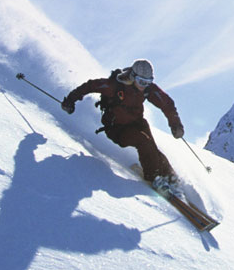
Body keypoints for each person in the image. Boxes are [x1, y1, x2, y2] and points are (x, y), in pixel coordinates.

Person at [61, 59, 185, 192]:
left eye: (148, 82)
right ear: (133, 77)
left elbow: (166, 103)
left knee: (152, 148)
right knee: (144, 142)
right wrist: (70, 100)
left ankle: (171, 178)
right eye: (141, 82)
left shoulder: (147, 89)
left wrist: (175, 124)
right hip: (117, 129)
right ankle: (154, 178)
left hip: (137, 123)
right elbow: (90, 86)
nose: (144, 86)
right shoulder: (114, 86)